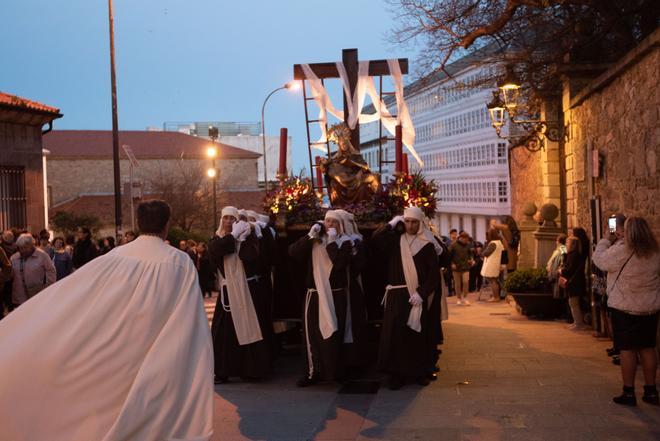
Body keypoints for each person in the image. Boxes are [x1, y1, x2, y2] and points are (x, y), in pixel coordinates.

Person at [0, 200, 214, 440]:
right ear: (166, 225)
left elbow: (80, 292)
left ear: (139, 223)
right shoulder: (180, 262)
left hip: (119, 342)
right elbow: (189, 317)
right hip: (156, 343)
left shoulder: (116, 256)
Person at [593, 216, 660, 406]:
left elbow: (600, 261)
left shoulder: (623, 249)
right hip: (650, 307)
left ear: (628, 231)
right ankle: (651, 391)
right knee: (648, 348)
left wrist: (606, 239)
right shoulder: (654, 251)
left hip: (625, 306)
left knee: (627, 350)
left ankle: (629, 392)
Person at [371, 207, 439, 390]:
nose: (410, 225)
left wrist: (421, 294)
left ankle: (418, 373)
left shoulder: (427, 245)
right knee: (395, 336)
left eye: (414, 222)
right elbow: (375, 239)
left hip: (416, 297)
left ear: (420, 223)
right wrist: (391, 224)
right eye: (407, 221)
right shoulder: (395, 242)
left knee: (416, 335)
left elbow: (433, 276)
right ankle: (396, 375)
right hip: (396, 296)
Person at [288, 210, 352, 387]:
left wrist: (332, 242)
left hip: (335, 294)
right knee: (312, 335)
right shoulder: (314, 240)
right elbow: (293, 253)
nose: (330, 225)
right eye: (328, 221)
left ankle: (335, 372)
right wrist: (310, 235)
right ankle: (312, 372)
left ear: (341, 225)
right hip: (315, 294)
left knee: (334, 333)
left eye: (334, 222)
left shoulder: (345, 243)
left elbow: (339, 264)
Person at [209, 206, 272, 383]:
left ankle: (252, 369)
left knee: (250, 327)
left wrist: (242, 239)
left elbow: (251, 258)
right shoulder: (218, 238)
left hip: (247, 289)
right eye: (226, 218)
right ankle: (223, 370)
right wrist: (232, 237)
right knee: (224, 332)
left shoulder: (248, 237)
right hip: (228, 290)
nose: (229, 221)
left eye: (232, 218)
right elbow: (216, 252)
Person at [9, 234, 56, 308]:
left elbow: (51, 272)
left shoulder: (42, 256)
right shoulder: (14, 258)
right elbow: (9, 275)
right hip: (19, 298)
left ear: (32, 245)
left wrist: (47, 289)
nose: (23, 250)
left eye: (25, 247)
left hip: (37, 296)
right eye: (21, 248)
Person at [559, 236, 588, 330]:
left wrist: (561, 271)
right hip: (576, 283)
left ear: (572, 245)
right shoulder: (573, 254)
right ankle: (576, 322)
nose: (566, 245)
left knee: (574, 303)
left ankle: (579, 324)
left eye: (567, 243)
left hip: (574, 283)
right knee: (573, 303)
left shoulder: (573, 255)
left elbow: (569, 270)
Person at [449, 231, 473, 306]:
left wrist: (471, 259)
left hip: (466, 267)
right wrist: (452, 264)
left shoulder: (468, 245)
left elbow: (471, 254)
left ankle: (465, 298)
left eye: (467, 239)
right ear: (461, 238)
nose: (466, 241)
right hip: (456, 268)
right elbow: (448, 255)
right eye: (465, 239)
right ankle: (458, 298)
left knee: (466, 282)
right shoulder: (453, 245)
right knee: (457, 284)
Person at [481, 228, 504, 302]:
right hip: (497, 263)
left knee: (493, 281)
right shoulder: (499, 242)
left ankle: (496, 297)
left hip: (492, 264)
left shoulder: (493, 243)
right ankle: (495, 296)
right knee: (494, 281)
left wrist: (482, 252)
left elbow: (486, 253)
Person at [546, 233, 567, 298]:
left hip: (557, 275)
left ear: (559, 241)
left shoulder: (562, 248)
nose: (556, 242)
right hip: (555, 274)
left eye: (557, 241)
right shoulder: (561, 249)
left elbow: (562, 260)